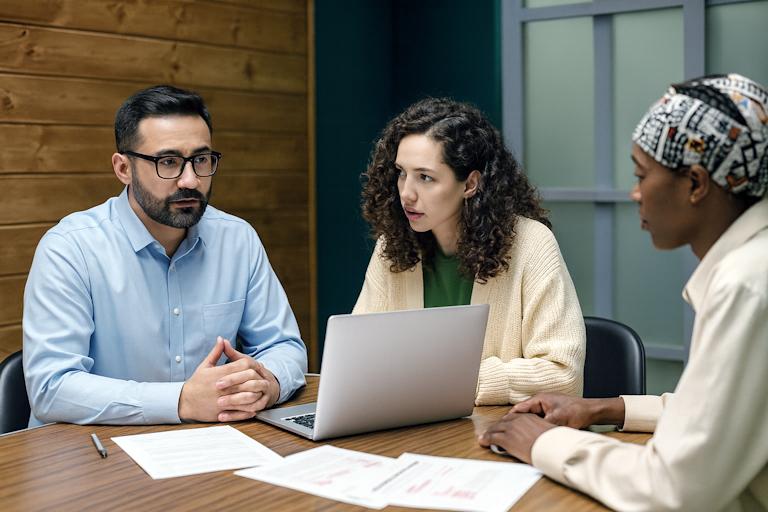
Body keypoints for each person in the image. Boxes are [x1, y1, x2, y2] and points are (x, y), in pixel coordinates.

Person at [479, 74, 768, 512]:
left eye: (641, 173)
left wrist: (546, 443)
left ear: (695, 183)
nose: (634, 192)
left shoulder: (746, 283)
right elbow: (727, 413)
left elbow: (674, 490)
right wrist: (602, 409)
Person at [23, 85, 308, 426]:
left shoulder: (238, 239)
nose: (190, 180)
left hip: (213, 446)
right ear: (123, 168)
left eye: (201, 160)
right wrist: (181, 402)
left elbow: (284, 346)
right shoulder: (70, 249)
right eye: (168, 162)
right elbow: (51, 388)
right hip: (94, 459)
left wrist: (268, 384)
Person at [354, 98, 586, 405]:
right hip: (413, 431)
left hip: (499, 435)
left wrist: (451, 381)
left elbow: (563, 375)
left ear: (470, 184)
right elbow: (357, 360)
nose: (406, 193)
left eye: (426, 177)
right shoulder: (393, 245)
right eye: (401, 173)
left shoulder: (532, 245)